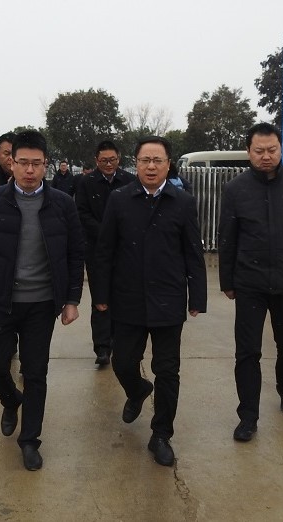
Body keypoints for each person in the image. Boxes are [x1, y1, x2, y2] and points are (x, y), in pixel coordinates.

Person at [0, 130, 84, 471]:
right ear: (10, 163)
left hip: (42, 304)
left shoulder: (62, 204)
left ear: (46, 165)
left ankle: (30, 440)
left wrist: (72, 299)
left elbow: (75, 254)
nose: (30, 170)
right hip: (2, 300)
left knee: (35, 372)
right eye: (23, 163)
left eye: (36, 163)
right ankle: (11, 400)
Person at [93, 136, 207, 467]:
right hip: (127, 298)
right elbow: (104, 250)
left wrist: (197, 296)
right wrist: (100, 294)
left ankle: (161, 434)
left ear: (168, 164)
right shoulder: (119, 200)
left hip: (168, 299)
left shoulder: (183, 202)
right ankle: (137, 390)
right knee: (123, 362)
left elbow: (193, 252)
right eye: (145, 160)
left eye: (158, 160)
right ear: (136, 164)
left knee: (167, 370)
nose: (151, 166)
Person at [218, 122, 283, 442]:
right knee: (247, 352)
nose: (266, 156)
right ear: (249, 152)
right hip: (249, 282)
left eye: (272, 150)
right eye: (259, 151)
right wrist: (227, 280)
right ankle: (248, 416)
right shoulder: (235, 188)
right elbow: (227, 238)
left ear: (281, 148)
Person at [75, 140, 136, 366]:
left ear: (119, 159)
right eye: (104, 161)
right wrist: (104, 232)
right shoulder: (86, 182)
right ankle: (102, 347)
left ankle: (118, 341)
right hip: (96, 249)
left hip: (124, 249)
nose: (108, 164)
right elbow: (81, 212)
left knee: (122, 296)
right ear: (96, 160)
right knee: (100, 296)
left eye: (112, 160)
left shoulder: (130, 181)